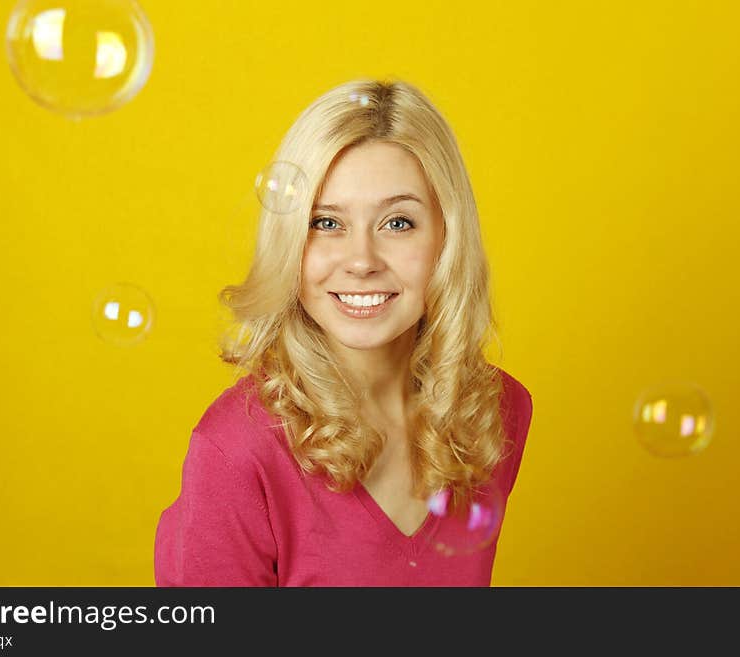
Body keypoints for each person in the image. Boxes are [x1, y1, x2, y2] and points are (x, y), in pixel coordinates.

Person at [154, 78, 533, 586]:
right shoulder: (236, 451)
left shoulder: (496, 413)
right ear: (290, 244)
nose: (361, 261)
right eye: (326, 223)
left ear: (448, 236)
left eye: (398, 223)